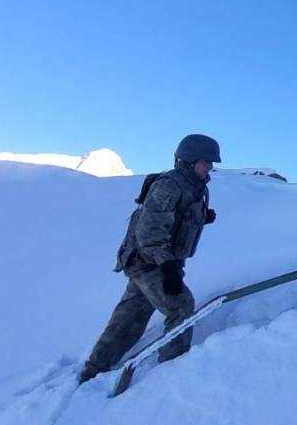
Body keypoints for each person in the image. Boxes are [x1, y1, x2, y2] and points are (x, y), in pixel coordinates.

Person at [77, 134, 219, 383]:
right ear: (188, 161)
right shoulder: (170, 185)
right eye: (205, 162)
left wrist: (200, 218)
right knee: (181, 306)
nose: (210, 167)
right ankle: (170, 371)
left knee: (131, 315)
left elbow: (174, 220)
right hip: (149, 261)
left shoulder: (196, 188)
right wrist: (167, 267)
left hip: (161, 261)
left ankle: (94, 369)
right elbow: (149, 233)